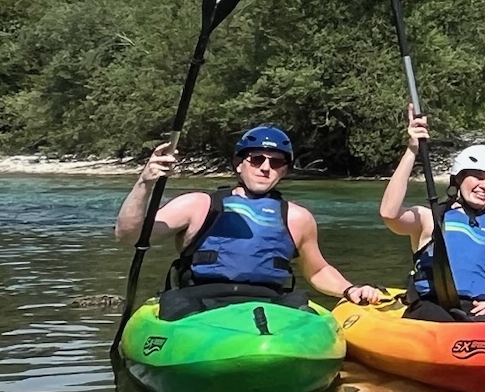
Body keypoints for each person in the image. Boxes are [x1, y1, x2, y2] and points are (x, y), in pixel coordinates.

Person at [115, 125, 384, 319]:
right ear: (238, 164)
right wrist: (144, 183)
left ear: (285, 170)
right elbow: (129, 236)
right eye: (256, 159)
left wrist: (350, 289)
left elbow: (317, 271)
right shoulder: (198, 204)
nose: (266, 167)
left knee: (302, 309)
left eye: (276, 162)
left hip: (270, 302)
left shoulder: (297, 217)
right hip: (199, 301)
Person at [379, 112, 485, 321]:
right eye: (478, 177)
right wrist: (412, 150)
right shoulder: (430, 217)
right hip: (433, 309)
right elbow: (389, 214)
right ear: (459, 179)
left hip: (478, 313)